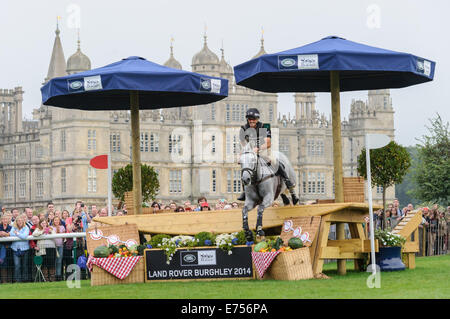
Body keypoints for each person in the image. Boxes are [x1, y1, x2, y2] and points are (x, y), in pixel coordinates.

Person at [238, 108, 299, 205]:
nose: (251, 121)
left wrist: (257, 149)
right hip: (251, 152)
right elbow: (243, 143)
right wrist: (244, 152)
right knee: (245, 168)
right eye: (249, 119)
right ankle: (245, 192)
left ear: (257, 119)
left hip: (264, 150)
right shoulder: (243, 128)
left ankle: (289, 184)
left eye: (253, 119)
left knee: (276, 162)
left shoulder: (264, 126)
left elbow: (268, 142)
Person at [9, 215, 30, 283]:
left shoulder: (26, 227)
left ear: (23, 221)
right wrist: (20, 234)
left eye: (21, 220)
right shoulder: (13, 227)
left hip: (25, 249)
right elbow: (11, 234)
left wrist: (17, 233)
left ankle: (25, 280)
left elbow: (24, 236)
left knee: (25, 265)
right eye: (18, 221)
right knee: (17, 265)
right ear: (16, 222)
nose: (19, 222)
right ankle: (17, 280)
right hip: (15, 249)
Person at [0, 214, 12, 283]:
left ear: (8, 220)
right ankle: (4, 281)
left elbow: (12, 234)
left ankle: (10, 281)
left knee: (10, 264)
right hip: (1, 248)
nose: (5, 220)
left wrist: (6, 234)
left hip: (9, 248)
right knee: (3, 264)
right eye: (3, 219)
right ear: (1, 220)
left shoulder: (10, 227)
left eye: (6, 219)